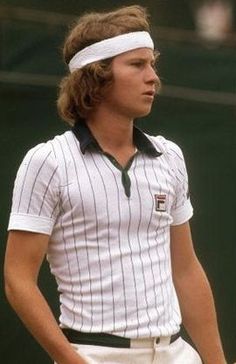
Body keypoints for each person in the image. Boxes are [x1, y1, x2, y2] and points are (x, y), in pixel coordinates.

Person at [4, 5, 226, 364]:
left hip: (177, 354)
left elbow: (186, 269)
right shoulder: (47, 162)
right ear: (97, 76)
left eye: (152, 64)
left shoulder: (169, 156)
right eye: (137, 65)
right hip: (93, 354)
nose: (153, 77)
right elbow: (18, 279)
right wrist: (71, 360)